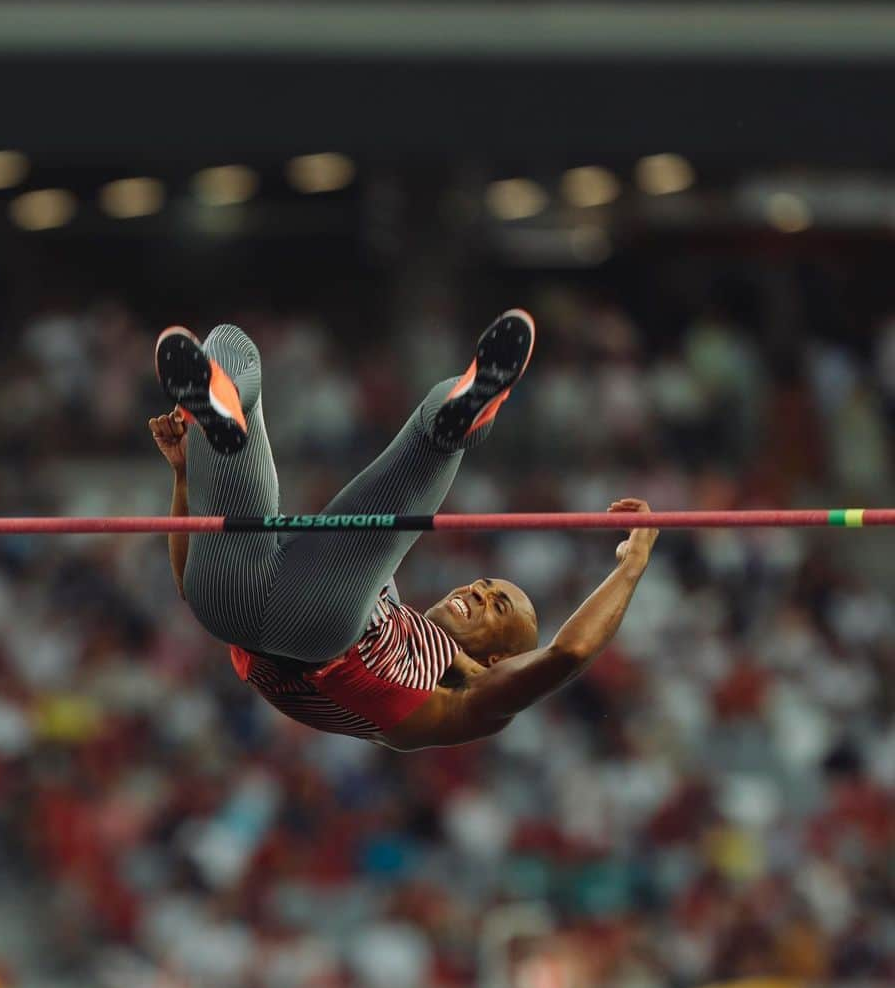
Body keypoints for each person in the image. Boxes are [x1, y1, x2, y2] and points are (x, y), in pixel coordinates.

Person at [149, 312, 657, 750]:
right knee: (230, 347)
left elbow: (567, 654)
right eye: (485, 586)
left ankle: (454, 422)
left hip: (317, 626)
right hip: (226, 601)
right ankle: (220, 406)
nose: (477, 592)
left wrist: (631, 569)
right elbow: (188, 582)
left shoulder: (466, 695)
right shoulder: (390, 604)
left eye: (496, 606)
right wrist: (184, 474)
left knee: (423, 454)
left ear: (499, 658)